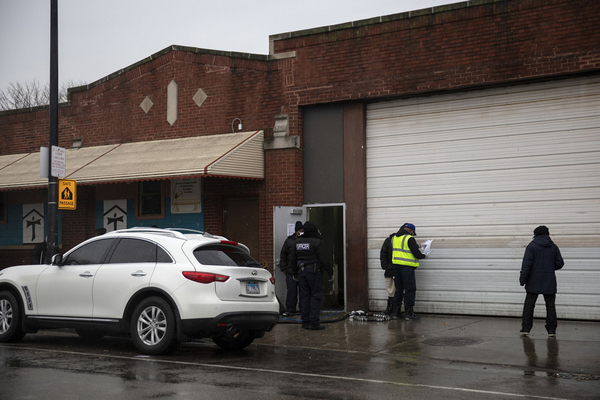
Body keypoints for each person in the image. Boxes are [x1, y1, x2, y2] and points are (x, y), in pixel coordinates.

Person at [519, 225, 564, 338]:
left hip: (534, 279)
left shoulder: (532, 246)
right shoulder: (553, 247)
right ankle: (551, 330)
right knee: (550, 306)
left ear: (536, 235)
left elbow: (526, 265)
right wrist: (549, 268)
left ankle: (526, 329)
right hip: (549, 280)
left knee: (529, 305)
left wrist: (523, 279)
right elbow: (560, 263)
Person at [291, 221, 334, 330]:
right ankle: (314, 323)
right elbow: (324, 259)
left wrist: (295, 273)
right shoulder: (318, 242)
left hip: (301, 271)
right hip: (314, 271)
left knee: (304, 296)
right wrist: (330, 273)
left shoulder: (297, 242)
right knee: (316, 295)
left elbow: (292, 259)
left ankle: (305, 322)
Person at [391, 223, 427, 321]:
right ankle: (409, 313)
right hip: (406, 267)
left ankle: (396, 313)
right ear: (411, 231)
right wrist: (424, 255)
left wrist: (418, 246)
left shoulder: (394, 238)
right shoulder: (409, 238)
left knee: (399, 289)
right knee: (410, 289)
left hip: (396, 267)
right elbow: (416, 254)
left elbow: (403, 248)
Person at [279, 221, 304, 316]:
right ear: (296, 231)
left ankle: (303, 309)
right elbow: (283, 255)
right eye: (300, 230)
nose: (301, 232)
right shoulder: (289, 241)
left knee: (303, 292)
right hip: (291, 271)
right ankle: (290, 309)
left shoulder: (304, 240)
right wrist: (283, 268)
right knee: (291, 291)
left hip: (301, 270)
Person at [379, 232, 397, 315]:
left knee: (397, 290)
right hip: (391, 270)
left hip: (397, 269)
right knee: (390, 289)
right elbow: (383, 253)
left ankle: (394, 309)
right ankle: (391, 308)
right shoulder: (389, 241)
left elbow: (383, 253)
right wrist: (386, 266)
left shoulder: (389, 240)